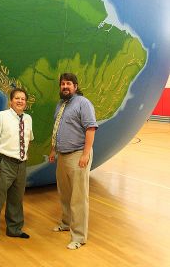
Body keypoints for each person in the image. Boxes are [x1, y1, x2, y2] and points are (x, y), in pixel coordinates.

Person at [49, 73, 98, 250]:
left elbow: (91, 128)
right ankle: (66, 222)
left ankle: (79, 236)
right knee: (65, 193)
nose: (65, 86)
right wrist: (53, 150)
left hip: (78, 155)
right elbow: (57, 128)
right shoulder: (61, 104)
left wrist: (85, 154)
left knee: (78, 197)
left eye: (68, 83)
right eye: (62, 84)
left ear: (75, 86)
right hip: (62, 155)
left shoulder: (83, 103)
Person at [0, 88, 34, 249]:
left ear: (26, 103)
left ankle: (14, 229)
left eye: (23, 99)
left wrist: (24, 156)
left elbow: (29, 139)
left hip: (21, 165)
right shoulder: (1, 117)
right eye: (17, 98)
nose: (20, 101)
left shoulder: (28, 119)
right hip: (4, 164)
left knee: (16, 200)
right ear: (11, 101)